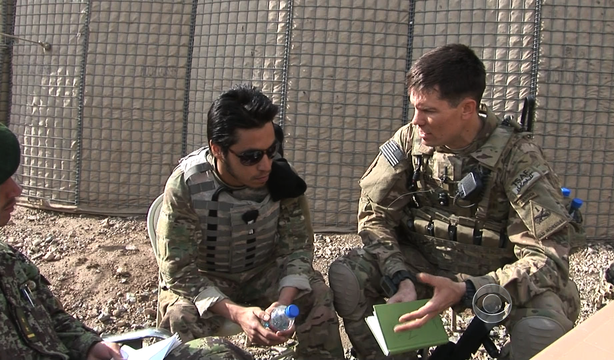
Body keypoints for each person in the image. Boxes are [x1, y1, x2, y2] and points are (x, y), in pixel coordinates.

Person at [328, 44, 584, 360]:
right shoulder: (410, 141)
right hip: (422, 267)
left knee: (540, 329)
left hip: (495, 277)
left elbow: (549, 258)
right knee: (348, 276)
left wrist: (470, 289)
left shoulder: (518, 157)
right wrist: (400, 277)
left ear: (466, 108)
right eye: (414, 108)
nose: (417, 120)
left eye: (430, 111)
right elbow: (375, 216)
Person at [0, 123, 253, 360]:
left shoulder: (10, 263)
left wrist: (89, 345)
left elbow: (52, 319)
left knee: (217, 353)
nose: (16, 190)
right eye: (2, 182)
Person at [155, 84, 345, 360]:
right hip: (209, 279)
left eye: (271, 150)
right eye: (251, 157)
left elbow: (298, 249)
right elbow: (177, 271)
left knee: (317, 296)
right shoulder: (187, 184)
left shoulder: (279, 176)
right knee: (179, 315)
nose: (265, 165)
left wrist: (284, 301)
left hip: (262, 273)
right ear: (218, 150)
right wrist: (237, 313)